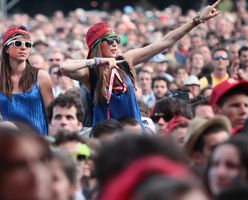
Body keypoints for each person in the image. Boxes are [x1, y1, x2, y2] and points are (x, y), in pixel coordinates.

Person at [60, 1, 221, 126]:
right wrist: (98, 61)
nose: (115, 43)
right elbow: (64, 67)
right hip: (106, 139)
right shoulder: (90, 73)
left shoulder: (125, 61)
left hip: (135, 135)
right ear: (96, 46)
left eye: (116, 39)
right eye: (109, 40)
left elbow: (165, 42)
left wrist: (197, 20)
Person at [0, 26, 53, 135]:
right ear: (6, 48)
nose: (23, 47)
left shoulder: (41, 76)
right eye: (18, 43)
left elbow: (51, 115)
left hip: (39, 142)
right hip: (9, 143)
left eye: (28, 45)